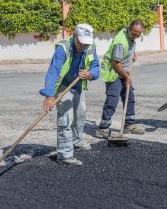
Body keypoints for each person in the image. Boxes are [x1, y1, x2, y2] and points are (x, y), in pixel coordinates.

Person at [40, 24, 100, 165]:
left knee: (81, 113)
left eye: (86, 43)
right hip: (63, 86)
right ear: (75, 35)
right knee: (65, 118)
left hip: (78, 85)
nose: (83, 46)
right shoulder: (63, 48)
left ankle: (77, 141)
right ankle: (64, 154)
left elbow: (96, 66)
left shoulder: (90, 46)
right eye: (81, 42)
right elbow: (53, 72)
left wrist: (90, 74)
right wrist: (49, 96)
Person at [97, 19, 145, 138]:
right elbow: (115, 64)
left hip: (123, 72)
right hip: (113, 72)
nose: (136, 36)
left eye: (139, 34)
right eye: (134, 33)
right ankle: (103, 128)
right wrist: (126, 76)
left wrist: (132, 54)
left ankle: (129, 125)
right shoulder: (120, 42)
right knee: (112, 100)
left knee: (129, 97)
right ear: (129, 29)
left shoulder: (130, 36)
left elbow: (131, 45)